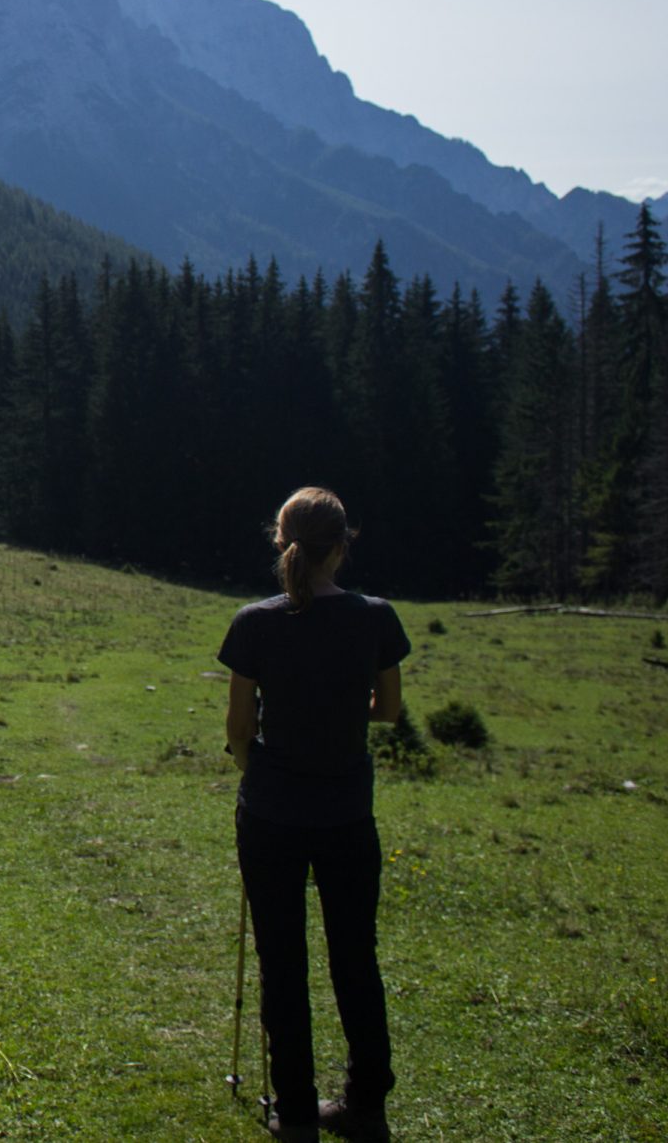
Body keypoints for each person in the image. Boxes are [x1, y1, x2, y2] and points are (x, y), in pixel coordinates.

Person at [219, 487, 408, 1143]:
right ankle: (365, 1105)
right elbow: (387, 709)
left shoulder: (253, 622)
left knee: (283, 959)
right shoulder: (375, 617)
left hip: (271, 808)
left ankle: (295, 1111)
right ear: (342, 545)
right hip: (348, 810)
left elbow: (240, 726)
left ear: (282, 541)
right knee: (356, 958)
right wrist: (336, 711)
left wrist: (257, 763)